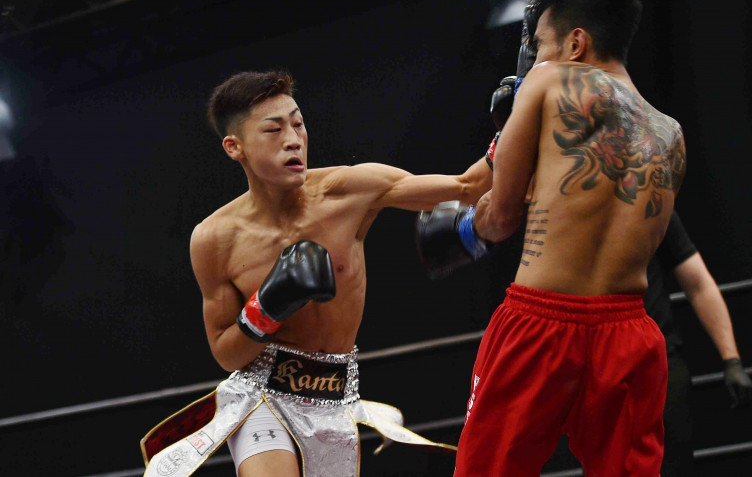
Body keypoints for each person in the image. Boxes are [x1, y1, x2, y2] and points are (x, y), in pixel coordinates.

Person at [140, 70, 494, 477]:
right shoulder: (215, 238)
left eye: (298, 123)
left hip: (335, 399)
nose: (293, 139)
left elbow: (468, 187)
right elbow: (225, 353)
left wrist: (515, 123)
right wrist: (267, 306)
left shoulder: (349, 190)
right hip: (261, 396)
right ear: (235, 147)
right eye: (273, 129)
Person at [416, 0, 687, 476]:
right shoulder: (670, 132)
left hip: (540, 322)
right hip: (630, 333)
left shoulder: (546, 81)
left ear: (576, 42)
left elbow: (500, 218)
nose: (534, 57)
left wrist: (463, 230)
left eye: (539, 44)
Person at [647, 212, 752, 477]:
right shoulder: (560, 209)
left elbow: (698, 283)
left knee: (673, 465)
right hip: (599, 371)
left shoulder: (650, 201)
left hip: (660, 365)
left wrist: (731, 359)